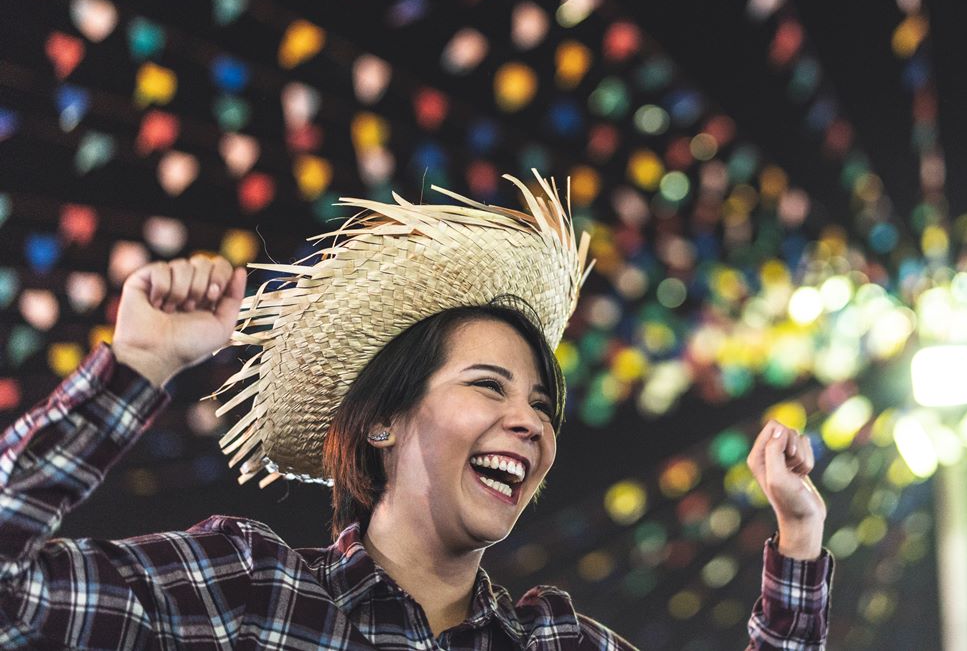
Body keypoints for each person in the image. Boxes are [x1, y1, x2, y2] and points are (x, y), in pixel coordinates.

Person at [0, 174, 832, 649]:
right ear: (382, 420)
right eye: (489, 385)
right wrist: (139, 367)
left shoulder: (556, 642)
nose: (531, 421)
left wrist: (797, 542)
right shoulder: (248, 594)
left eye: (542, 403)